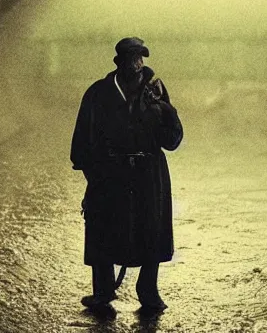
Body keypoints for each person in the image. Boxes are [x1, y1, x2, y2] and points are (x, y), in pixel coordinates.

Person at [70, 37, 183, 314]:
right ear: (120, 62)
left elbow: (173, 139)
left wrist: (165, 109)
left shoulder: (155, 92)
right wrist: (94, 177)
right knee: (103, 225)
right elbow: (83, 141)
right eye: (132, 58)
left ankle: (148, 290)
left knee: (151, 227)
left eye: (140, 58)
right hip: (110, 171)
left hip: (149, 173)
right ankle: (102, 291)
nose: (138, 64)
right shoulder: (98, 94)